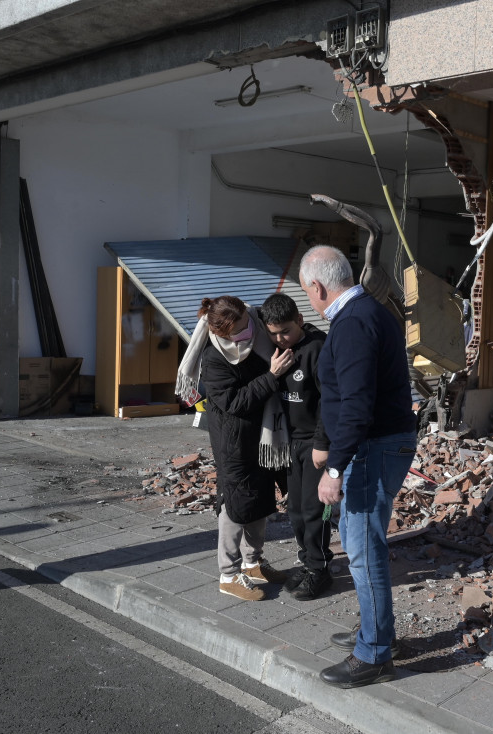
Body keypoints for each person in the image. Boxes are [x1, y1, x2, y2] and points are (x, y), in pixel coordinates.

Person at [300, 244, 417, 689]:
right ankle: (376, 631)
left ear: (318, 285)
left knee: (363, 550)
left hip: (372, 448)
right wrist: (327, 444)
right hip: (379, 444)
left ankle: (374, 654)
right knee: (362, 544)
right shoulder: (371, 310)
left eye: (308, 292)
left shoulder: (352, 324)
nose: (309, 300)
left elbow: (356, 405)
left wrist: (334, 470)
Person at [177, 296, 294, 601]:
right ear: (221, 334)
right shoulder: (214, 359)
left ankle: (253, 562)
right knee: (236, 503)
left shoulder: (255, 324)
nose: (248, 331)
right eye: (240, 330)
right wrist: (271, 377)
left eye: (248, 322)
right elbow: (234, 403)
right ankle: (228, 574)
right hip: (234, 440)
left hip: (262, 435)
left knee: (260, 497)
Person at [259, 292, 334, 601]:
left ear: (300, 321)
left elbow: (330, 401)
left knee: (315, 510)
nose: (281, 338)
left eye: (286, 331)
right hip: (291, 443)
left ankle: (321, 569)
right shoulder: (275, 354)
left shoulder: (316, 350)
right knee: (296, 511)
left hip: (313, 443)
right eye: (274, 333)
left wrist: (322, 443)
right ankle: (307, 563)